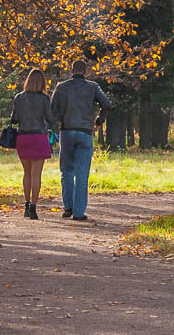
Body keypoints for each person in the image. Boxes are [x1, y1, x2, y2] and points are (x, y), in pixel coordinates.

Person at [49, 59, 111, 221]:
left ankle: (67, 207)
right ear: (85, 71)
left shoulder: (61, 87)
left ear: (71, 70)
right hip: (85, 132)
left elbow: (52, 110)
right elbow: (106, 103)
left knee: (67, 171)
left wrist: (55, 124)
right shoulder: (92, 87)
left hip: (67, 132)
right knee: (82, 174)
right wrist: (98, 121)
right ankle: (78, 213)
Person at [10, 67, 58, 220]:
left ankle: (26, 204)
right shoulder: (44, 99)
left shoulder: (19, 97)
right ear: (42, 83)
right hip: (39, 137)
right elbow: (51, 118)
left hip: (23, 137)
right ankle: (33, 208)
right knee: (36, 174)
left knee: (27, 173)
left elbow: (14, 119)